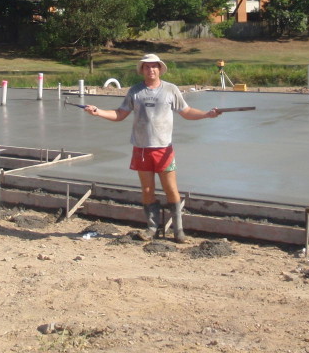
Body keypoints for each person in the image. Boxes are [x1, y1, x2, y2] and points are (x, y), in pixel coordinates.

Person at [83, 53, 222, 243]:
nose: (151, 70)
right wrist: (98, 112)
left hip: (163, 149)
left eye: (154, 66)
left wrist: (207, 114)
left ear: (160, 69)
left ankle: (178, 230)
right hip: (141, 149)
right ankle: (151, 228)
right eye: (147, 67)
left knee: (171, 188)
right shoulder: (135, 91)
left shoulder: (171, 90)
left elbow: (187, 112)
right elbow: (120, 114)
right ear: (142, 70)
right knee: (147, 189)